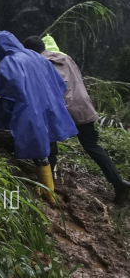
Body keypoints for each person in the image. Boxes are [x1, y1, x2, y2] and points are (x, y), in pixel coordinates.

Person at [22, 35, 130, 202]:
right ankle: (119, 183)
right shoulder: (66, 58)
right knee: (92, 146)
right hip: (82, 107)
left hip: (61, 110)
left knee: (49, 140)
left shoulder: (38, 64)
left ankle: (48, 185)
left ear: (29, 52)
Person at [0, 31, 78, 204]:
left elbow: (11, 87)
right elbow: (59, 83)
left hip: (28, 108)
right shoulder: (39, 58)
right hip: (49, 107)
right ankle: (49, 191)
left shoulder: (10, 60)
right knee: (42, 146)